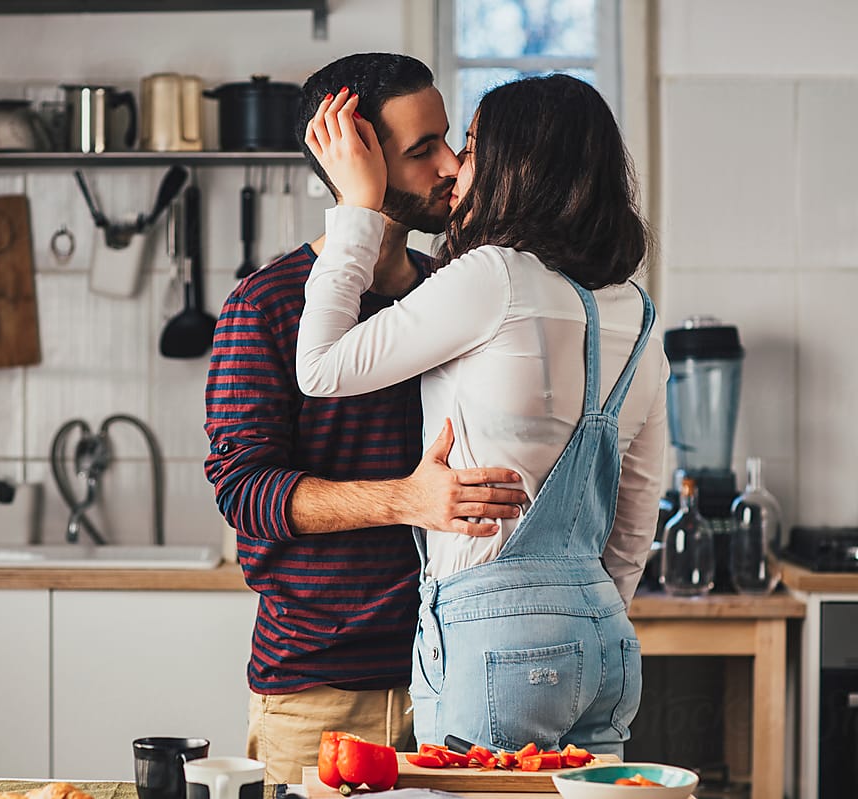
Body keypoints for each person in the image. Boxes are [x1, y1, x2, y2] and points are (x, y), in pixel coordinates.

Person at [295, 74, 669, 758]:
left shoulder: (492, 275)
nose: (456, 167)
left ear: (514, 167)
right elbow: (638, 505)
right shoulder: (638, 314)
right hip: (604, 637)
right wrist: (576, 607)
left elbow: (320, 367)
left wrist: (356, 207)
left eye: (469, 147)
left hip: (497, 636)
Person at [203, 53, 529, 784]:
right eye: (423, 151)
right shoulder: (265, 307)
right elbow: (244, 493)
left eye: (449, 140)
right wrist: (405, 497)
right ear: (356, 158)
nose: (451, 164)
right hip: (318, 688)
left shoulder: (456, 290)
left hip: (459, 674)